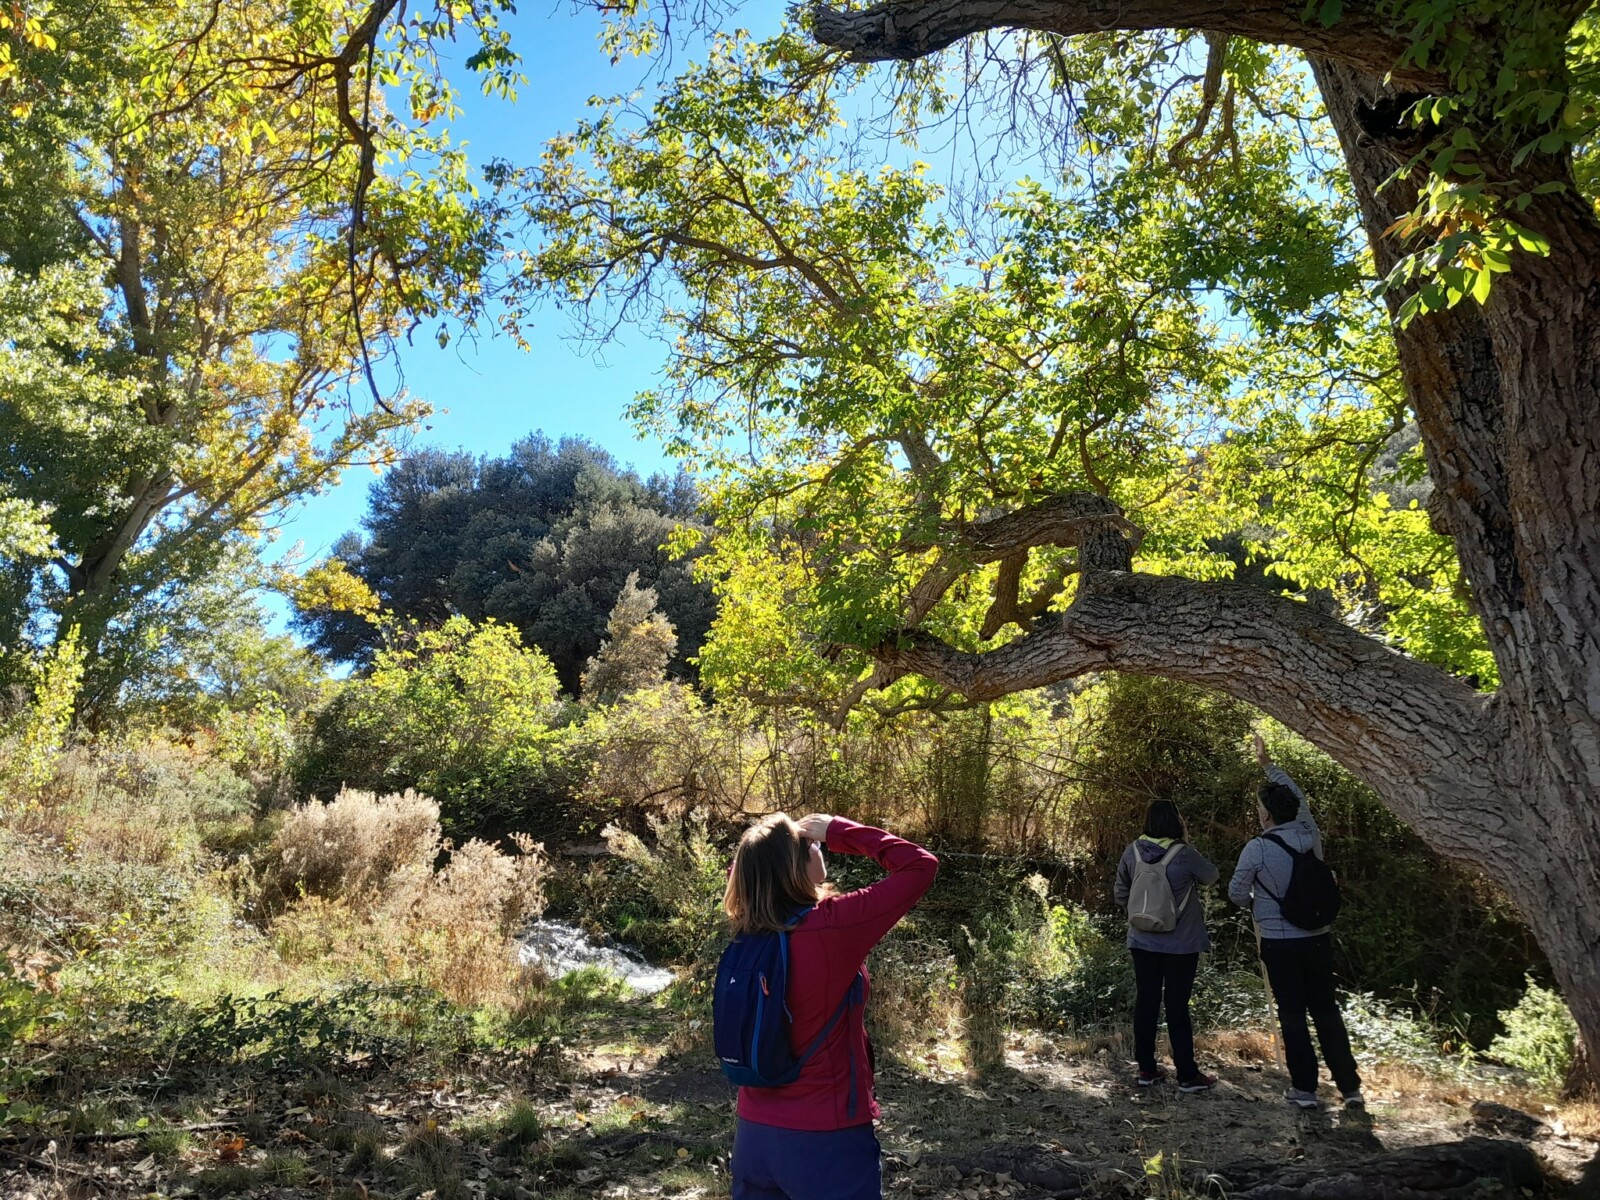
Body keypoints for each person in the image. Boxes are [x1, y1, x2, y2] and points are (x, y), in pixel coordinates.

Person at [724, 812, 938, 1200]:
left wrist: (778, 839)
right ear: (794, 864)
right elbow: (920, 864)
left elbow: (748, 868)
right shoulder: (832, 926)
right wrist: (839, 831)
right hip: (825, 1138)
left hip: (753, 1134)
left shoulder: (748, 924)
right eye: (810, 844)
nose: (818, 844)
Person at [1229, 733, 1363, 1111]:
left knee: (1292, 1014)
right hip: (1319, 937)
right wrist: (1267, 764)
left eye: (1259, 807)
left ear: (1267, 814)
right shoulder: (1310, 834)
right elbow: (1299, 798)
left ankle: (1305, 1090)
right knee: (1326, 1011)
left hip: (1278, 941)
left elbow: (1237, 894)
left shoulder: (1256, 848)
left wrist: (1258, 900)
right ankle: (1350, 1087)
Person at [1113, 799, 1219, 1091]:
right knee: (1177, 1006)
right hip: (1181, 943)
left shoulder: (1132, 851)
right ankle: (1187, 1074)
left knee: (1146, 1002)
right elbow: (1211, 876)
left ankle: (1146, 1070)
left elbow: (1120, 893)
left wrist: (1144, 917)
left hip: (1141, 940)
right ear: (1176, 822)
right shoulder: (1184, 854)